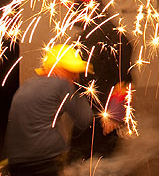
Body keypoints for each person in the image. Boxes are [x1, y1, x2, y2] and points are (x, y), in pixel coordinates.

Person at [5, 44, 93, 176]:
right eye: (72, 71)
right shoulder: (61, 85)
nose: (76, 77)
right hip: (44, 161)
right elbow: (85, 118)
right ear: (57, 69)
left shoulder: (26, 85)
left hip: (15, 162)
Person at [70, 0, 133, 162]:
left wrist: (115, 113)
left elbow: (123, 79)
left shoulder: (117, 39)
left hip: (105, 116)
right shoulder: (82, 39)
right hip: (86, 116)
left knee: (100, 163)